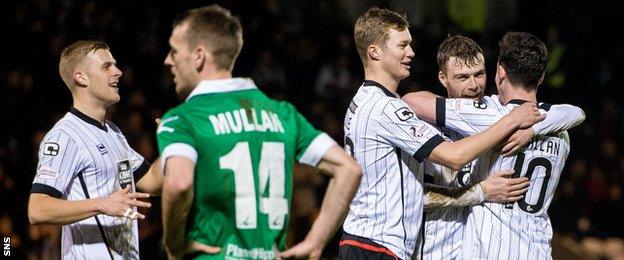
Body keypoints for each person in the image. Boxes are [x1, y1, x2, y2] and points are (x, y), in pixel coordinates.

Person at [157, 5, 362, 260]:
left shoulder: (182, 118)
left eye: (174, 51)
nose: (168, 60)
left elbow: (179, 182)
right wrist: (315, 242)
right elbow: (349, 169)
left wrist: (173, 244)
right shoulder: (283, 114)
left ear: (198, 56)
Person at [340, 8, 545, 260]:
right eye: (402, 45)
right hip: (391, 245)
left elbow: (566, 112)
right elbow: (432, 180)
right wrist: (481, 190)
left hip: (417, 245)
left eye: (479, 74)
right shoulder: (393, 111)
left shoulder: (373, 102)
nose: (473, 85)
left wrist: (533, 126)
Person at [404, 32, 584, 259]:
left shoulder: (490, 116)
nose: (474, 85)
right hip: (533, 249)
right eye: (462, 77)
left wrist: (528, 129)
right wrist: (532, 127)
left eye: (479, 74)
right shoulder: (561, 131)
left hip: (489, 248)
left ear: (499, 71)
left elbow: (412, 100)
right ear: (541, 77)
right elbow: (576, 112)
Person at [27, 40, 164, 259]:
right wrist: (103, 204)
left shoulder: (114, 133)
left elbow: (154, 182)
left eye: (115, 65)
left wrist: (175, 145)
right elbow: (38, 209)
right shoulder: (65, 136)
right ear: (81, 77)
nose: (118, 72)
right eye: (106, 66)